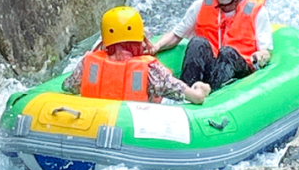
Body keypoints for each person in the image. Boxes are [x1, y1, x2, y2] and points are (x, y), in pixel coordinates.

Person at [151, 0, 272, 93]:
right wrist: (156, 47)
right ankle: (186, 92)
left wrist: (261, 56)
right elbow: (176, 35)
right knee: (198, 42)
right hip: (211, 67)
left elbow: (265, 51)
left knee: (227, 53)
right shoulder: (201, 4)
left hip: (239, 72)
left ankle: (213, 95)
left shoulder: (257, 12)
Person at [62, 6, 210, 104]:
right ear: (139, 39)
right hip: (132, 126)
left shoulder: (87, 64)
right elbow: (195, 98)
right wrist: (201, 88)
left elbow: (67, 86)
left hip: (97, 119)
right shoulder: (152, 71)